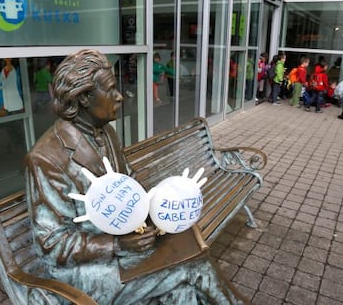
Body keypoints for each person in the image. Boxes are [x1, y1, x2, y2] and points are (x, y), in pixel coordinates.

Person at [24, 49, 245, 305]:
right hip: (84, 271)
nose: (119, 97)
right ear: (84, 97)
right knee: (193, 266)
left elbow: (128, 183)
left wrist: (157, 207)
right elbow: (51, 243)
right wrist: (117, 245)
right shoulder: (46, 158)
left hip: (125, 246)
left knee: (182, 289)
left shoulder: (106, 132)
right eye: (110, 90)